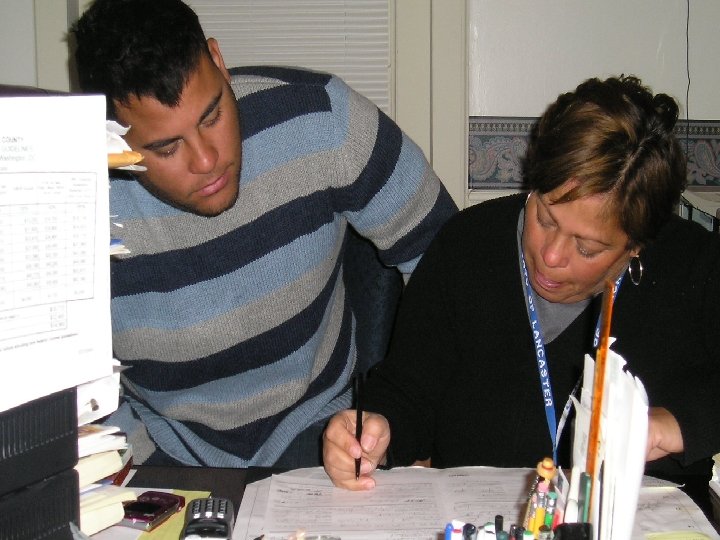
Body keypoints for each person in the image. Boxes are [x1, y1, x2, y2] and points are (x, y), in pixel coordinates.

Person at [71, 0, 457, 468]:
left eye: (212, 116)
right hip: (164, 451)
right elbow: (65, 381)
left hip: (325, 434)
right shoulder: (72, 204)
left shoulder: (320, 117)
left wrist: (408, 418)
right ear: (110, 137)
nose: (207, 160)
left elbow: (452, 262)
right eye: (167, 147)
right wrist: (132, 466)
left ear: (218, 61)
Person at [323, 75, 720, 491]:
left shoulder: (695, 266)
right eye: (544, 218)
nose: (551, 256)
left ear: (636, 246)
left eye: (586, 248)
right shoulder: (468, 244)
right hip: (477, 513)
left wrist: (676, 424)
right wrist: (375, 430)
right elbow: (409, 390)